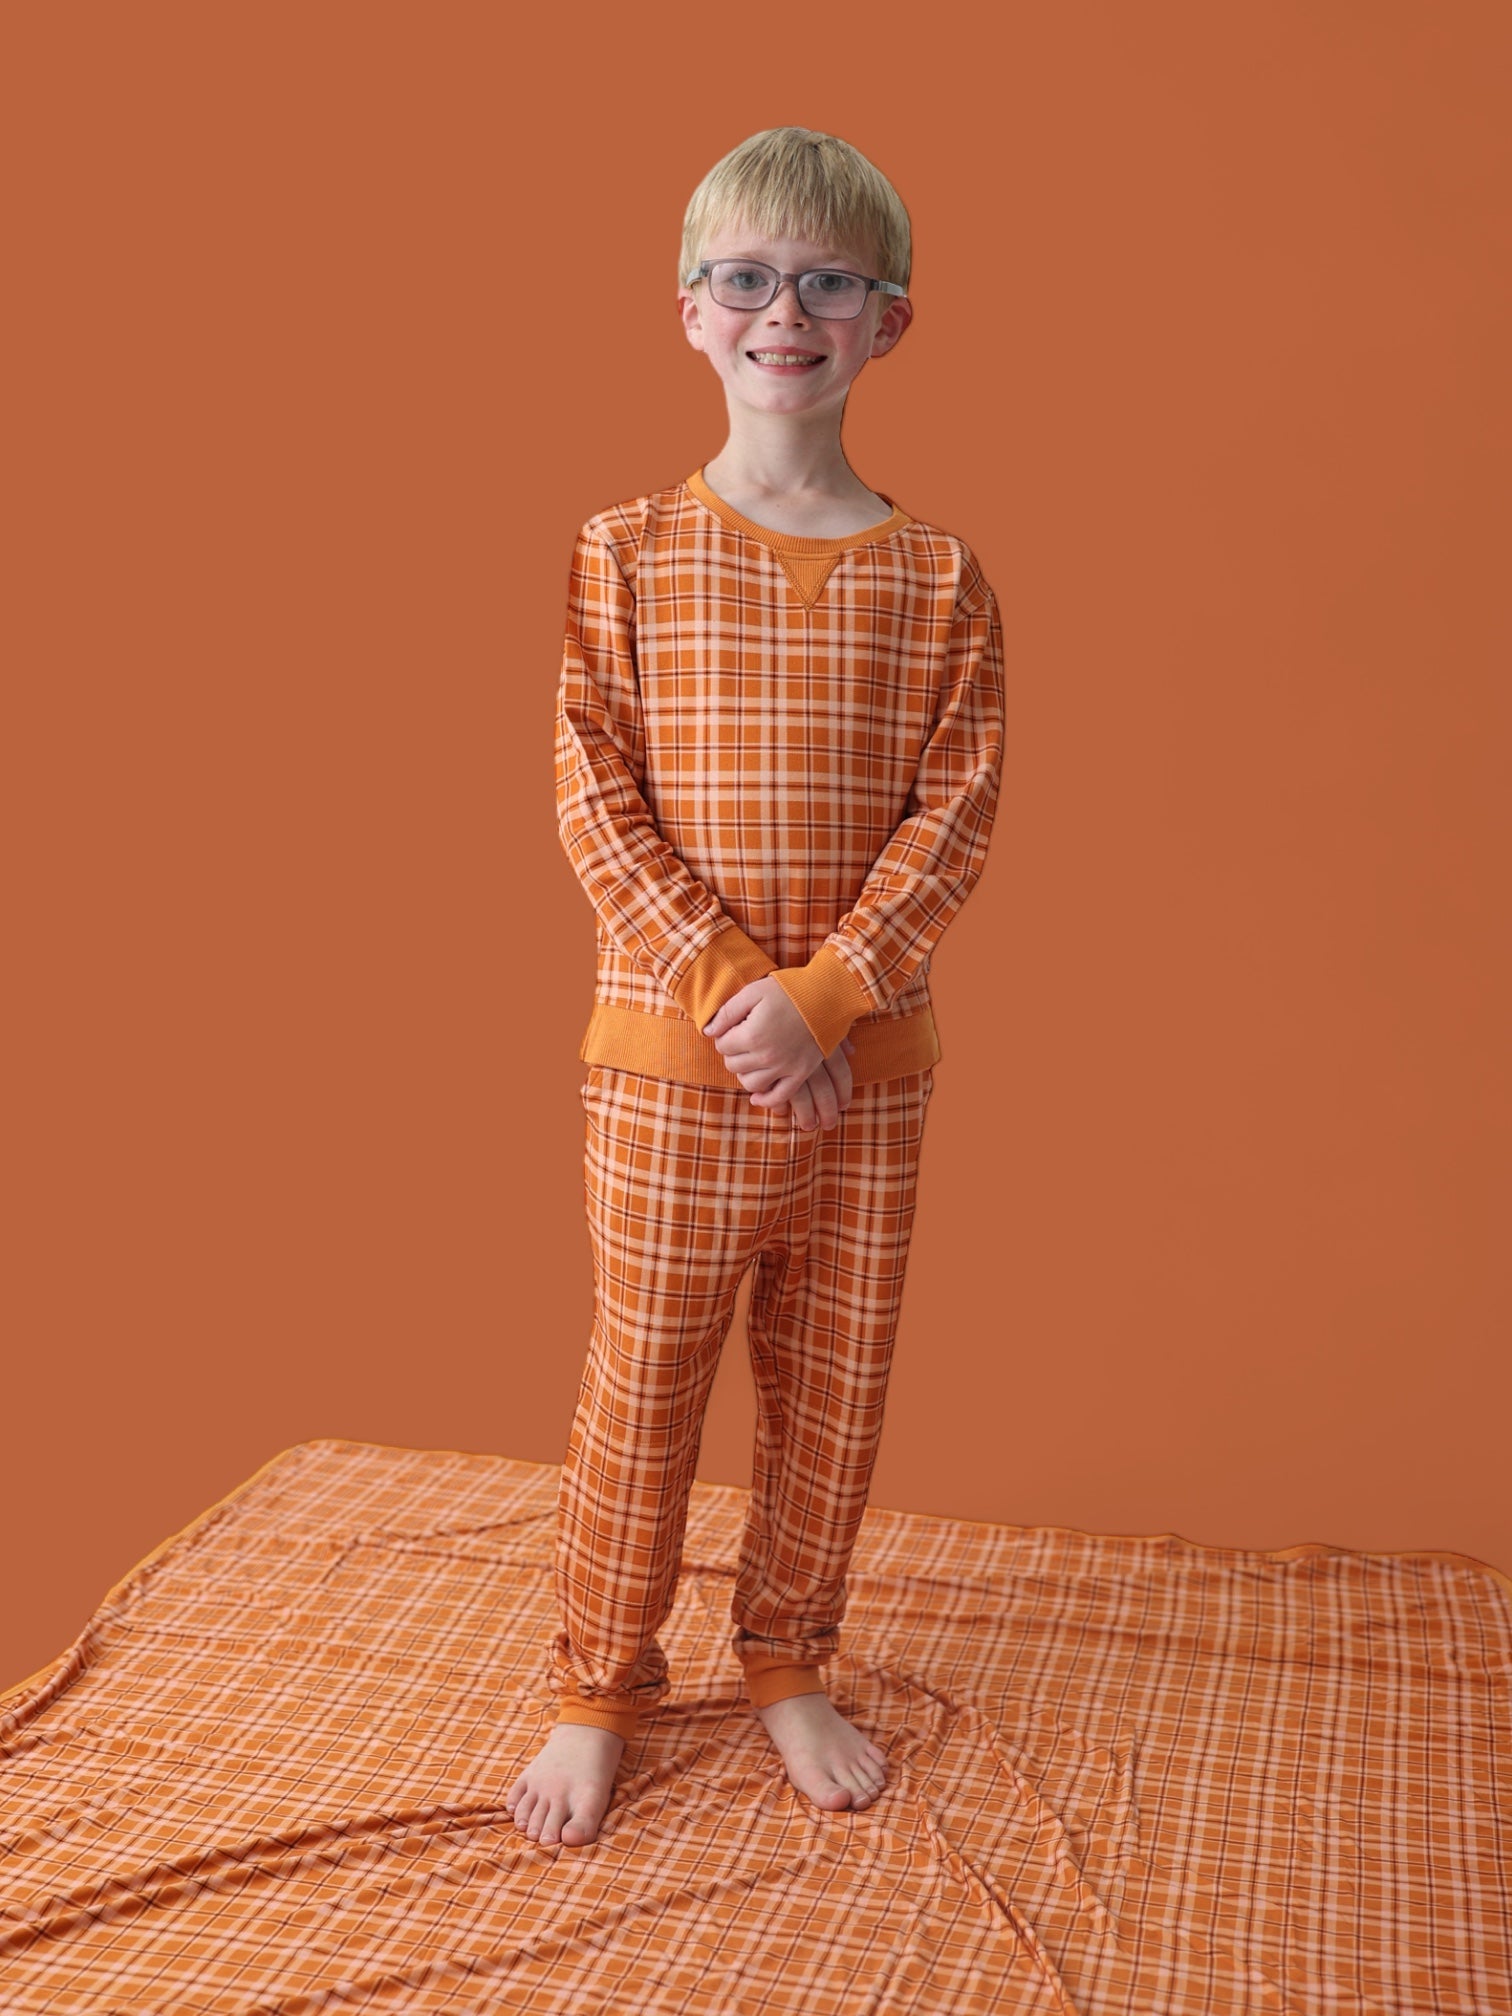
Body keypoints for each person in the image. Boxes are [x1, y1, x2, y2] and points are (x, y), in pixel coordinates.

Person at [507, 125, 1005, 1849]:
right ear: (691, 312)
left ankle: (789, 1656)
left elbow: (956, 815)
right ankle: (600, 1686)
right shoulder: (624, 551)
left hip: (867, 1081)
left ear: (888, 322)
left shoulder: (941, 580)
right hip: (671, 1067)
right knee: (645, 1388)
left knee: (834, 1387)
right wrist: (741, 993)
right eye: (746, 279)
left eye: (827, 284)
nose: (784, 313)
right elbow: (594, 800)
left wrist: (832, 1002)